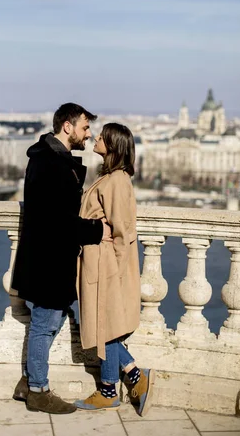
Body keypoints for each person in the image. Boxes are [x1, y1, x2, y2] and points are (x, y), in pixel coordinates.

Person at [11, 103, 112, 414]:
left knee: (47, 322)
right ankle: (39, 391)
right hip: (49, 261)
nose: (88, 133)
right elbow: (58, 220)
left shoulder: (49, 159)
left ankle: (28, 381)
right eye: (84, 127)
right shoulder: (50, 164)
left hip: (47, 258)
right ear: (67, 127)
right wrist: (96, 229)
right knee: (45, 323)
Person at [74, 123, 155, 416]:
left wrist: (118, 272)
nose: (96, 138)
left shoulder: (117, 181)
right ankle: (132, 377)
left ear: (114, 146)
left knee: (104, 325)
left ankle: (111, 389)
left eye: (102, 137)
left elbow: (121, 229)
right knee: (104, 325)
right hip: (100, 259)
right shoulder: (110, 178)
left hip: (107, 263)